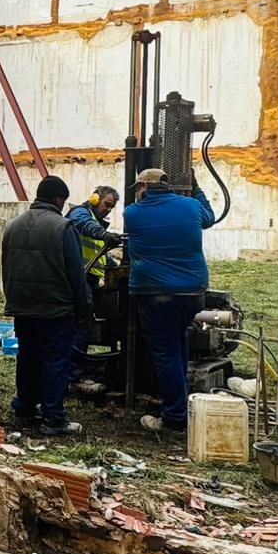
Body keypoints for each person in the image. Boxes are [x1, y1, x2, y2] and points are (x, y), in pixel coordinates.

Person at [121, 168, 216, 435]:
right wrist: (196, 188)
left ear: (143, 188)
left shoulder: (133, 213)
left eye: (138, 188)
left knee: (166, 353)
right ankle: (183, 407)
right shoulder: (192, 205)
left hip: (155, 293)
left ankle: (174, 418)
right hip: (193, 292)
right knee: (178, 344)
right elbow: (209, 218)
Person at [0, 175, 92, 437]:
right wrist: (82, 310)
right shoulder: (63, 227)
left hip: (22, 306)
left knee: (27, 357)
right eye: (63, 199)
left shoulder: (13, 226)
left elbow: (5, 267)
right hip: (55, 308)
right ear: (58, 198)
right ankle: (53, 418)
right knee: (55, 360)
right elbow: (77, 274)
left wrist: (14, 300)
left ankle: (25, 406)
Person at [65, 186, 122, 394]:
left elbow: (102, 256)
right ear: (95, 198)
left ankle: (73, 373)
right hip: (77, 279)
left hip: (88, 280)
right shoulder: (81, 213)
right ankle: (74, 377)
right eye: (106, 204)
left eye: (111, 207)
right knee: (82, 324)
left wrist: (119, 267)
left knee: (83, 326)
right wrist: (105, 234)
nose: (108, 210)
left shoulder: (97, 225)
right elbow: (84, 225)